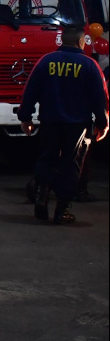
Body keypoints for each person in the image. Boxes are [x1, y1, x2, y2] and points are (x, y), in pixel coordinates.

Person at [18, 26, 109, 225]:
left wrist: (25, 117)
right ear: (81, 42)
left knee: (47, 157)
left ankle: (42, 194)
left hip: (49, 120)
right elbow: (100, 98)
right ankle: (62, 209)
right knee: (71, 164)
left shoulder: (45, 61)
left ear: (62, 41)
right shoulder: (89, 65)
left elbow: (30, 91)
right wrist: (103, 123)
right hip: (77, 125)